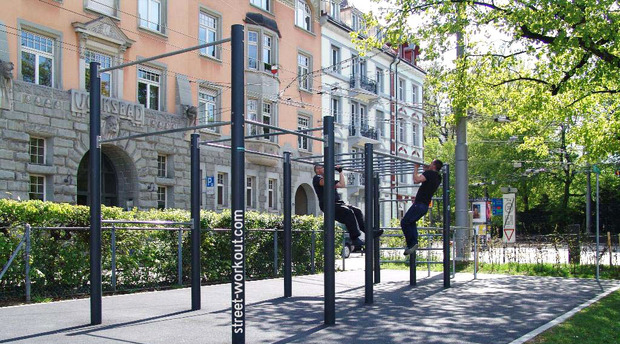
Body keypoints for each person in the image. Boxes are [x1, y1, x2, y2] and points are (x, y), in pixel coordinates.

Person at [312, 164, 383, 250]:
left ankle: (369, 232)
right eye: (321, 168)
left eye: (323, 167)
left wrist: (340, 172)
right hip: (328, 205)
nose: (322, 169)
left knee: (357, 211)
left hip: (338, 203)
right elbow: (324, 182)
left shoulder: (329, 178)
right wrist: (329, 170)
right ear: (317, 170)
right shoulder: (317, 178)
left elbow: (342, 185)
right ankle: (354, 238)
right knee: (348, 212)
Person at [401, 159, 443, 255]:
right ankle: (413, 243)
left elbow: (416, 180)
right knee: (411, 222)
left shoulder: (429, 174)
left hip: (419, 204)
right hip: (424, 206)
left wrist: (416, 168)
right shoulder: (438, 177)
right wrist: (425, 171)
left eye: (431, 163)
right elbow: (426, 180)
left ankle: (411, 243)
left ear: (433, 166)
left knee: (405, 222)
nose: (429, 164)